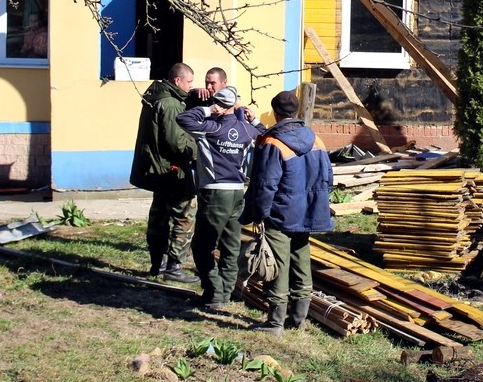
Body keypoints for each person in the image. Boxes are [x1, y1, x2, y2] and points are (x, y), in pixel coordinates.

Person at [241, 89, 333, 336]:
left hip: (280, 214)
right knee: (301, 263)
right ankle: (299, 318)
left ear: (274, 112)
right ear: (295, 112)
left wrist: (258, 214)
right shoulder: (316, 139)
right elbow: (327, 178)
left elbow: (265, 184)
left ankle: (275, 323)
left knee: (277, 266)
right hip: (307, 213)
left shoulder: (273, 142)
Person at [176, 85, 263, 310]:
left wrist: (207, 110)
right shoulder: (245, 130)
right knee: (231, 244)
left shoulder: (209, 128)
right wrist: (253, 120)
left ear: (218, 106)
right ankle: (225, 292)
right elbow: (264, 134)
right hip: (237, 192)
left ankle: (214, 291)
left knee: (202, 245)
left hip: (215, 192)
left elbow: (183, 118)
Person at [129, 62, 199, 283]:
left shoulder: (155, 97)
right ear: (178, 81)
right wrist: (200, 149)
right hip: (173, 171)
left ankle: (157, 264)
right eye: (189, 82)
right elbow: (176, 142)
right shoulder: (170, 104)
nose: (190, 87)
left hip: (157, 169)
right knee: (185, 216)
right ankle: (174, 267)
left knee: (159, 216)